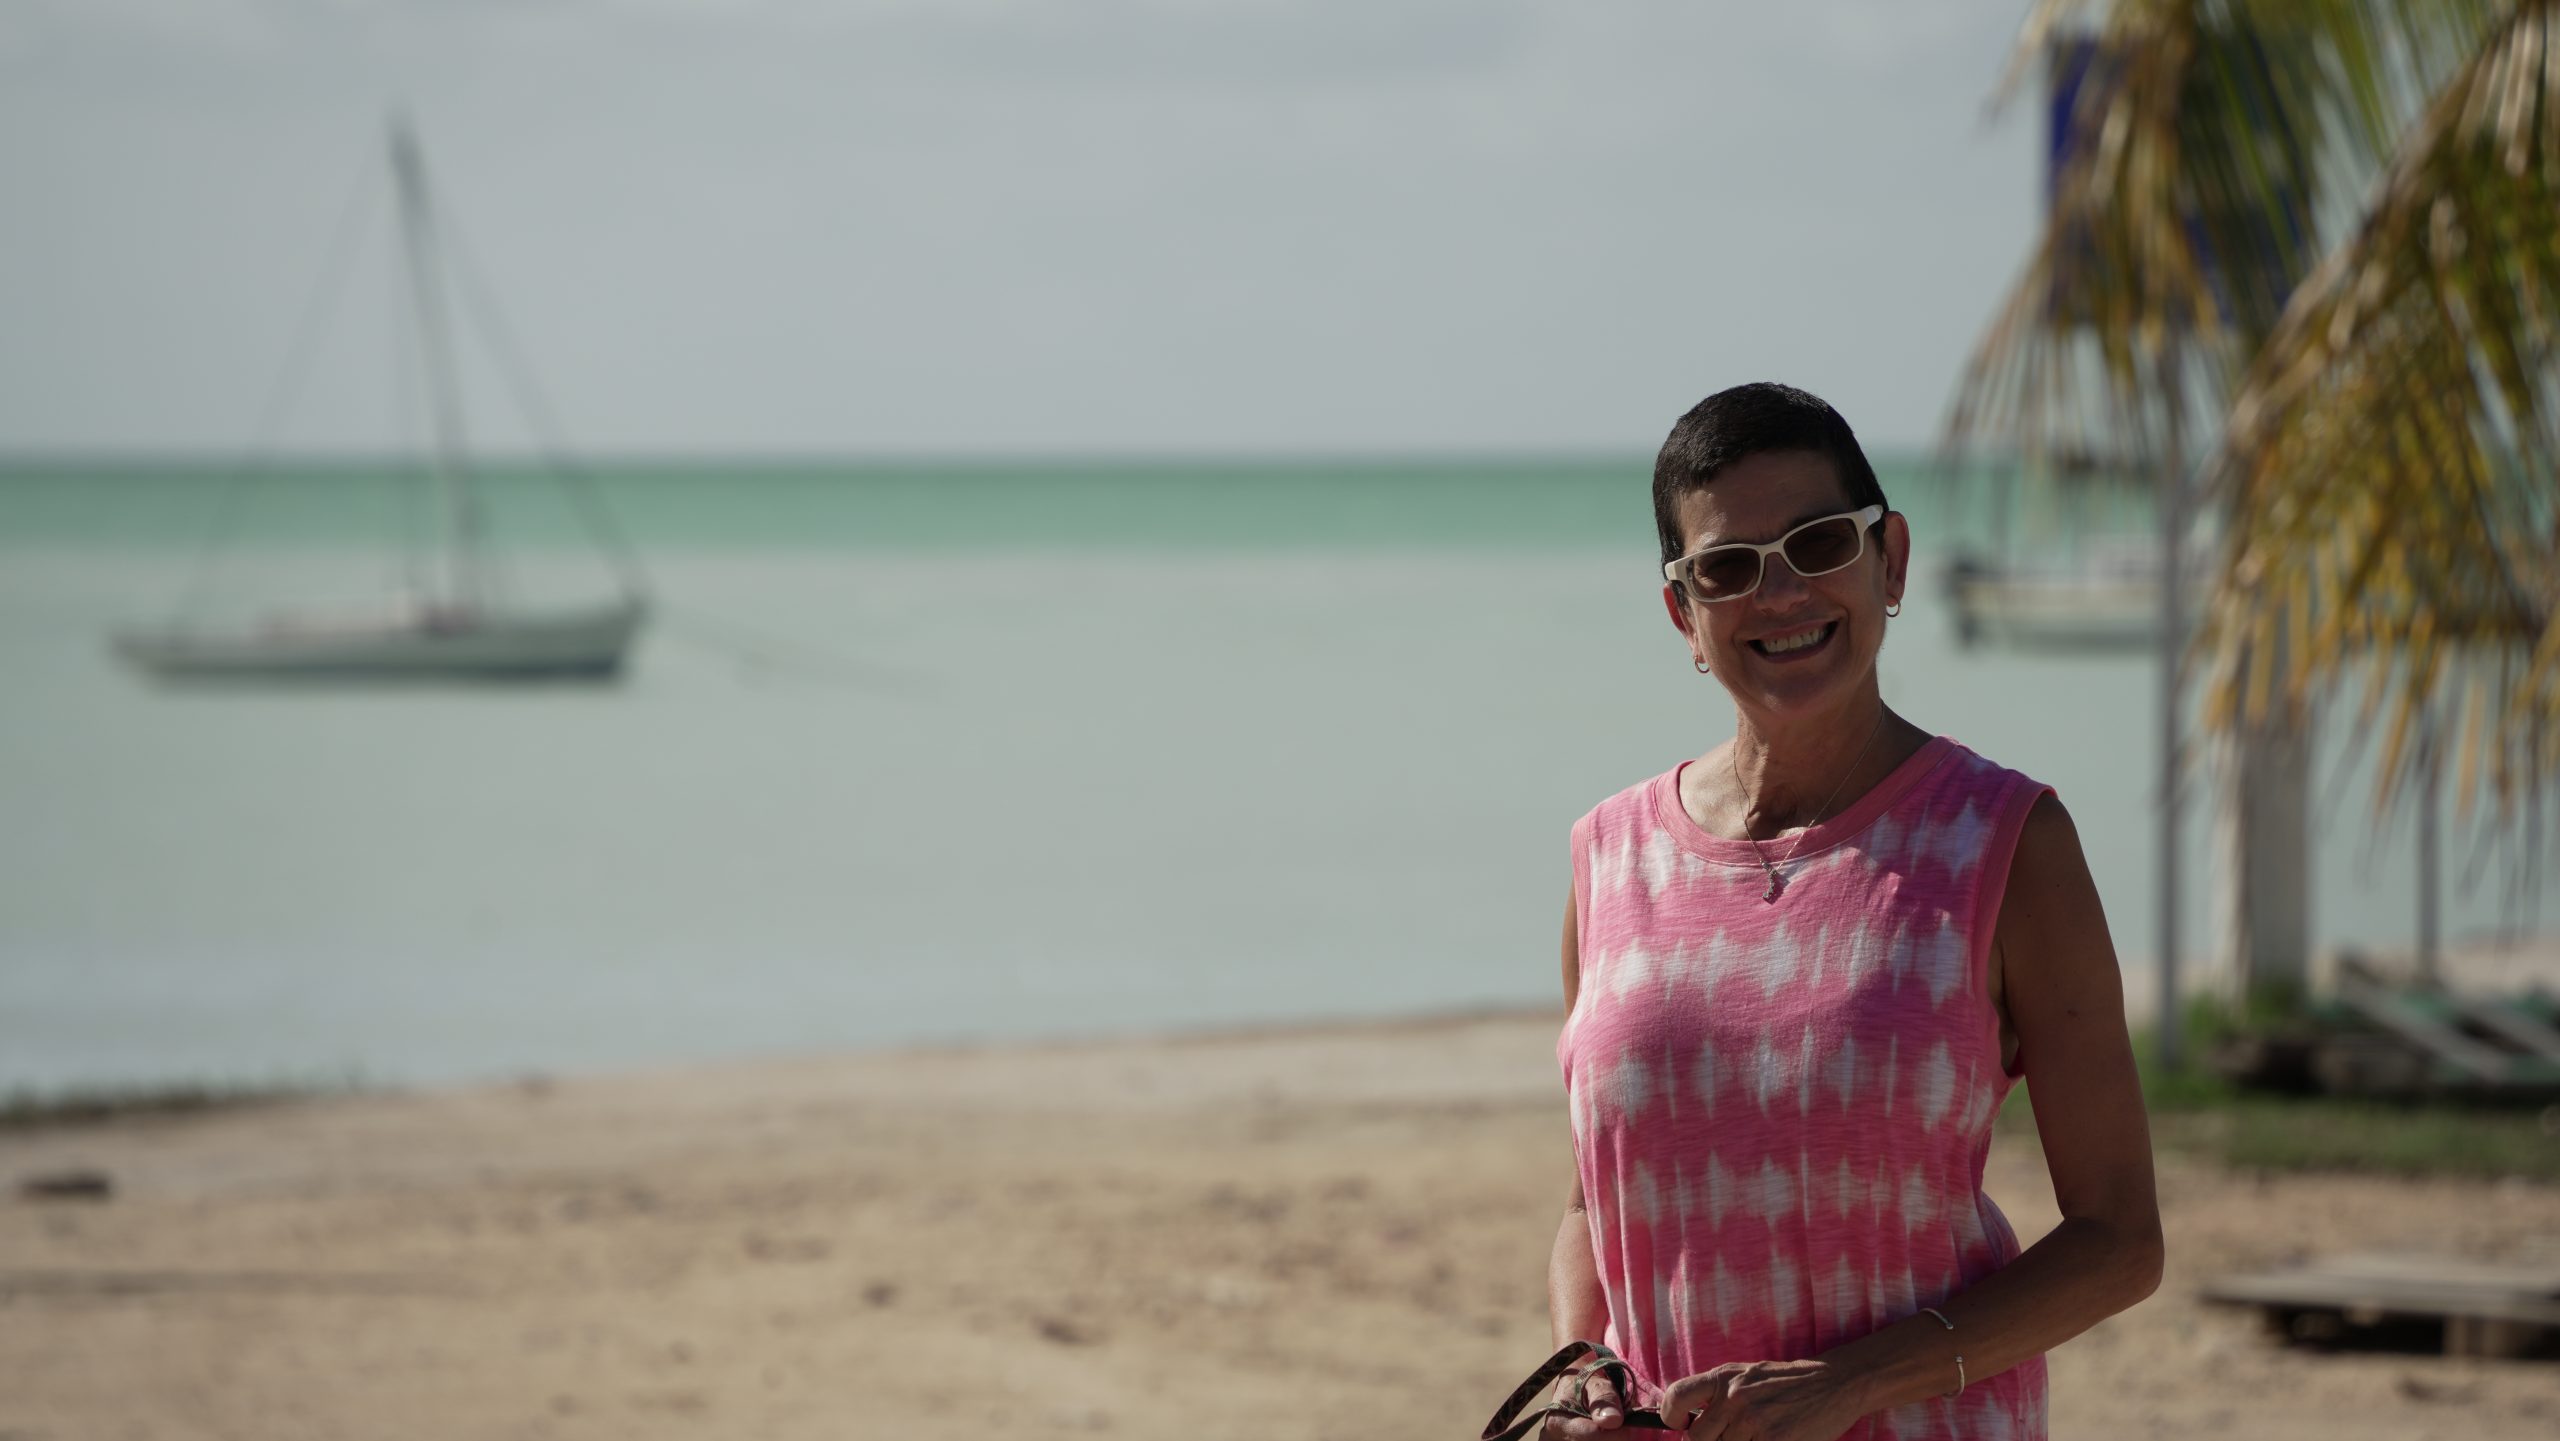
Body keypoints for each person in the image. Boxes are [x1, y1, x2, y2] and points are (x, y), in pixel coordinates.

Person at [1540, 383, 2162, 1441]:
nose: (1778, 592)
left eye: (1819, 543)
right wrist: (1582, 1372)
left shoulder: (2006, 843)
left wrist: (1850, 1383)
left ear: (1893, 561)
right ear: (1683, 613)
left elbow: (2117, 1239)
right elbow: (1591, 1206)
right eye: (1726, 567)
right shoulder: (1608, 857)